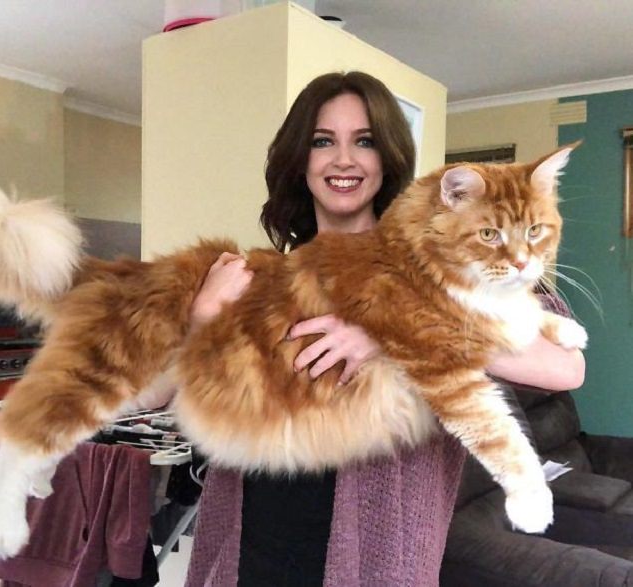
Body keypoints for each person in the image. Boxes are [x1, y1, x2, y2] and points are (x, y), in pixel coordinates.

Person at [182, 71, 585, 586]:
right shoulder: (266, 274)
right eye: (322, 141)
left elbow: (565, 366)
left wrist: (395, 330)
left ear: (388, 157)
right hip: (250, 537)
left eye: (365, 141)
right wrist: (200, 323)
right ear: (300, 160)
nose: (343, 159)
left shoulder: (453, 263)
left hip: (374, 555)